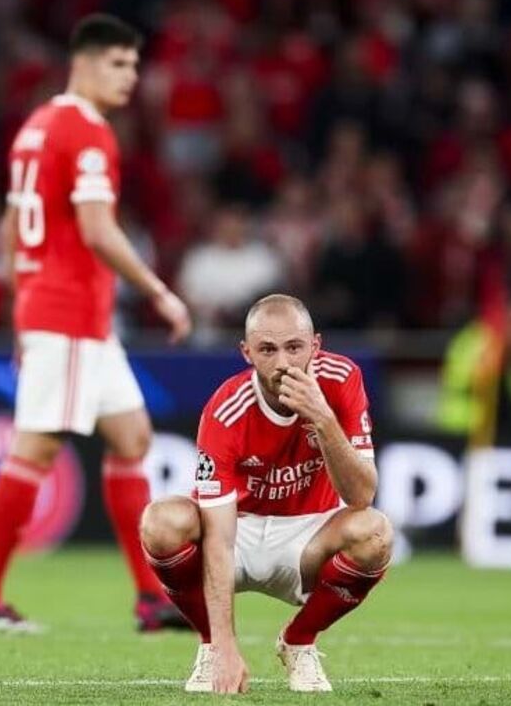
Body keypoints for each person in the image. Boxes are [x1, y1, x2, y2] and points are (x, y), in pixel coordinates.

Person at [0, 14, 194, 633]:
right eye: (118, 64)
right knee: (35, 448)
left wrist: (20, 310)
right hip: (67, 315)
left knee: (132, 437)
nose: (130, 77)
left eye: (134, 65)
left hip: (71, 317)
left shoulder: (36, 127)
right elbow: (97, 229)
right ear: (83, 63)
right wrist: (159, 292)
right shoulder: (87, 132)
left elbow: (13, 228)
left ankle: (149, 599)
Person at [140, 294, 393, 693]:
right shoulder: (226, 410)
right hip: (236, 532)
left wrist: (323, 417)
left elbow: (362, 495)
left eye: (294, 347)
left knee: (375, 532)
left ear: (316, 345)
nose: (283, 363)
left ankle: (299, 641)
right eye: (267, 350)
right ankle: (210, 649)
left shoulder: (342, 379)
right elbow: (218, 540)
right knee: (160, 522)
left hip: (309, 536)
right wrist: (225, 645)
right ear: (247, 353)